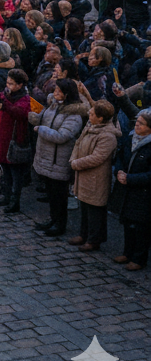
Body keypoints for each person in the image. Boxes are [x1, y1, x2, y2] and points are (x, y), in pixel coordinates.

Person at [29, 78, 86, 237]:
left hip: (58, 160)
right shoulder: (53, 106)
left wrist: (40, 129)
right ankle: (53, 220)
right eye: (55, 91)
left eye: (58, 91)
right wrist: (34, 117)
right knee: (51, 194)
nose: (55, 94)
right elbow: (43, 118)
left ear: (67, 94)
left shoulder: (74, 114)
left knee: (59, 195)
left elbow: (63, 136)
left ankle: (60, 224)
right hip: (46, 157)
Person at [69, 99, 122, 252]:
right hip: (84, 176)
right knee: (85, 207)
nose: (88, 114)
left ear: (100, 118)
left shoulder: (108, 136)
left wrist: (76, 163)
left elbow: (98, 157)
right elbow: (79, 143)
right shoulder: (91, 126)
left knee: (95, 211)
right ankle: (83, 234)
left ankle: (94, 239)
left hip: (96, 178)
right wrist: (73, 159)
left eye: (92, 114)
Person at [0, 70, 32, 213]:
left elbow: (20, 113)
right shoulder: (6, 95)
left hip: (15, 140)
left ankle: (14, 201)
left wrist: (4, 105)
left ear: (19, 85)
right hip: (4, 139)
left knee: (16, 174)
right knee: (5, 170)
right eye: (7, 83)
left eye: (11, 83)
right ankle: (6, 196)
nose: (8, 86)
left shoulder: (25, 99)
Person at [111, 108, 151, 270]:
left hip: (143, 192)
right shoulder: (130, 139)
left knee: (141, 226)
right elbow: (120, 157)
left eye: (141, 124)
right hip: (127, 188)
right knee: (127, 222)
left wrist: (130, 179)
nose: (137, 126)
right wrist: (119, 171)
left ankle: (139, 258)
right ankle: (127, 252)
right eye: (137, 122)